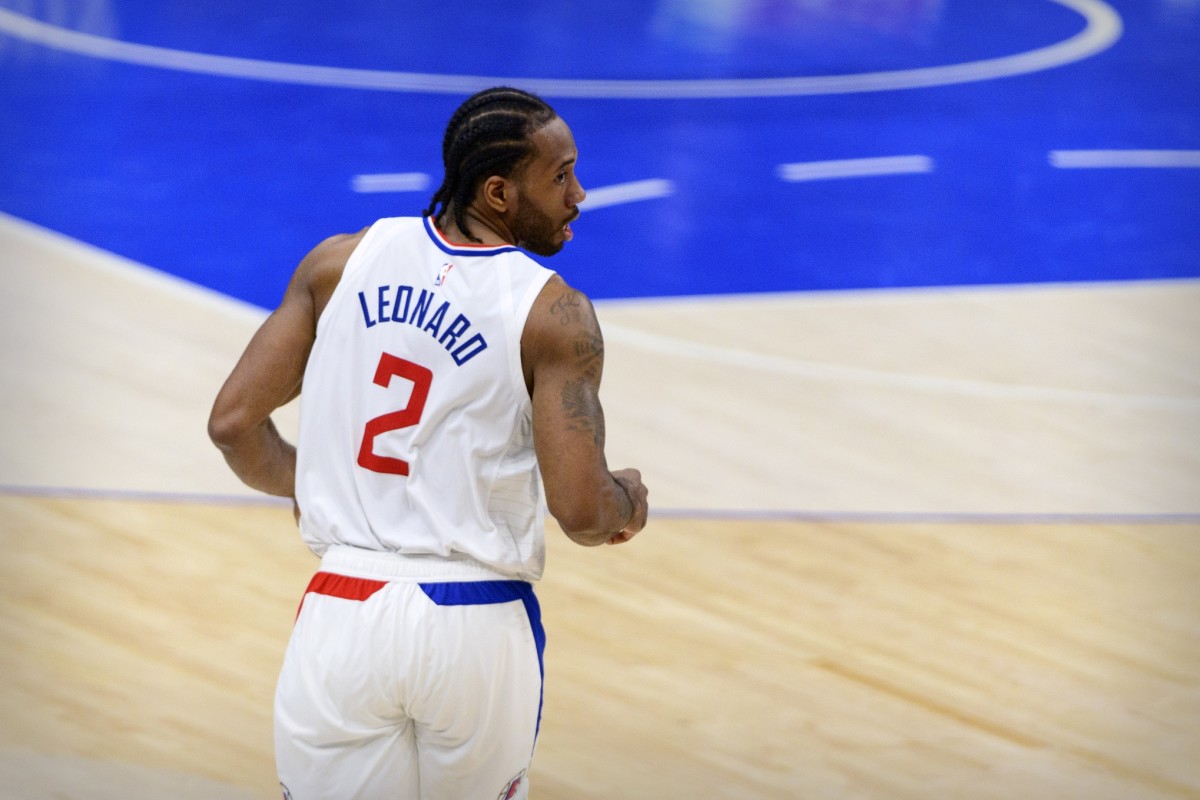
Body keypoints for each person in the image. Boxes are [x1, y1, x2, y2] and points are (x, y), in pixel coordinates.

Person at [207, 86, 649, 800]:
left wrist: (321, 482)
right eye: (561, 176)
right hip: (473, 622)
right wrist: (628, 500)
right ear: (499, 192)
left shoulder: (337, 264)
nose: (579, 195)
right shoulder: (554, 312)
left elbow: (232, 424)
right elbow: (583, 512)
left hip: (343, 610)